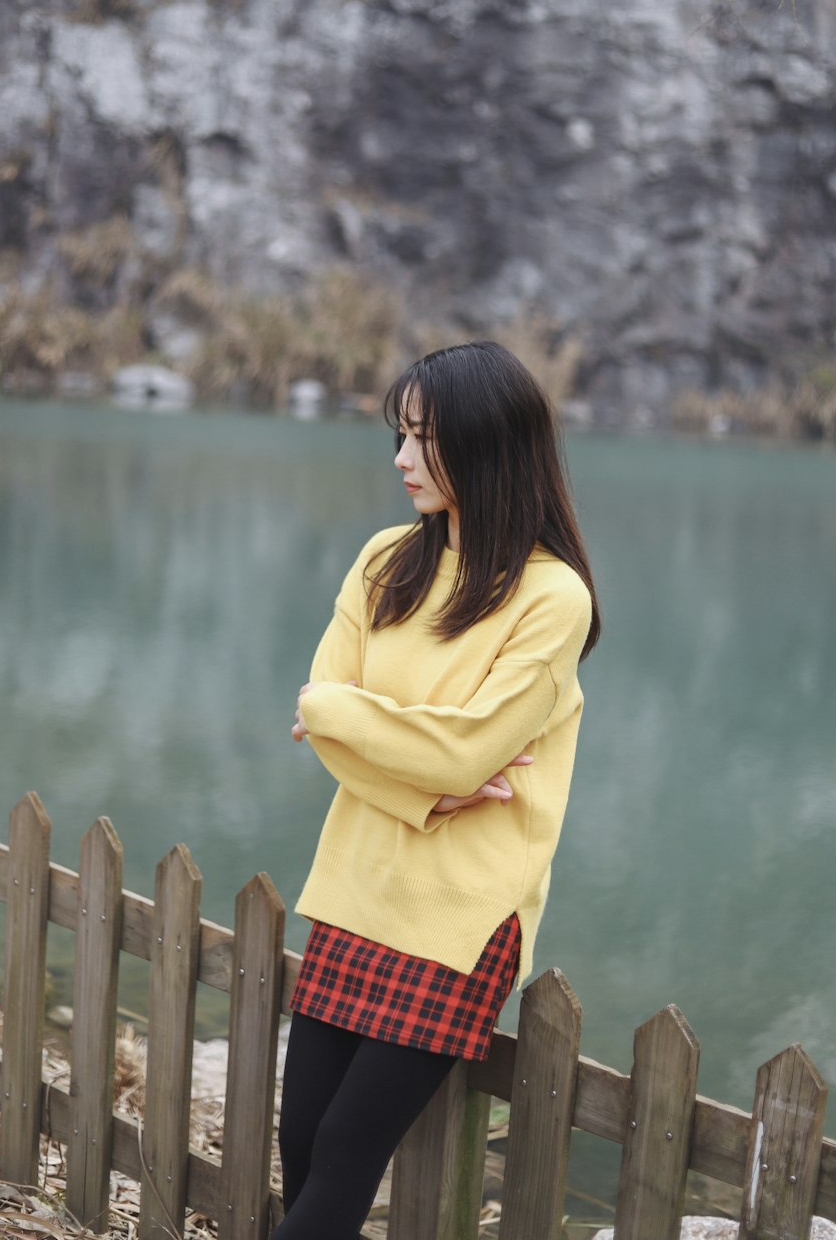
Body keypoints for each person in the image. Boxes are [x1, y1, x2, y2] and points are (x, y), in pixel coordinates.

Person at [276, 340, 600, 1240]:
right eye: (401, 436)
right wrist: (419, 789)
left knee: (344, 1151)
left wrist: (341, 711)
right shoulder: (388, 560)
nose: (402, 460)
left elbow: (461, 752)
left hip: (461, 915)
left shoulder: (551, 598)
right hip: (355, 883)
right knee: (299, 1138)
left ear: (491, 446)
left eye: (424, 440)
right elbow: (327, 724)